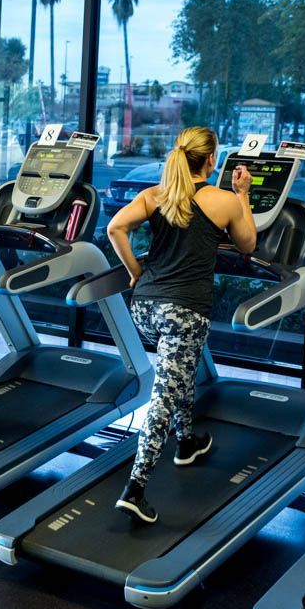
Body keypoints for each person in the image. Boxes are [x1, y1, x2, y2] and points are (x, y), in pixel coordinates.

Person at [106, 127, 256, 524]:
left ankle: (186, 441)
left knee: (180, 370)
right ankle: (136, 488)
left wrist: (136, 272)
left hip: (145, 309)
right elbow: (248, 245)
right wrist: (243, 194)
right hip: (184, 311)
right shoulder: (222, 200)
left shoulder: (156, 195)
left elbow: (114, 228)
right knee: (163, 393)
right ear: (210, 161)